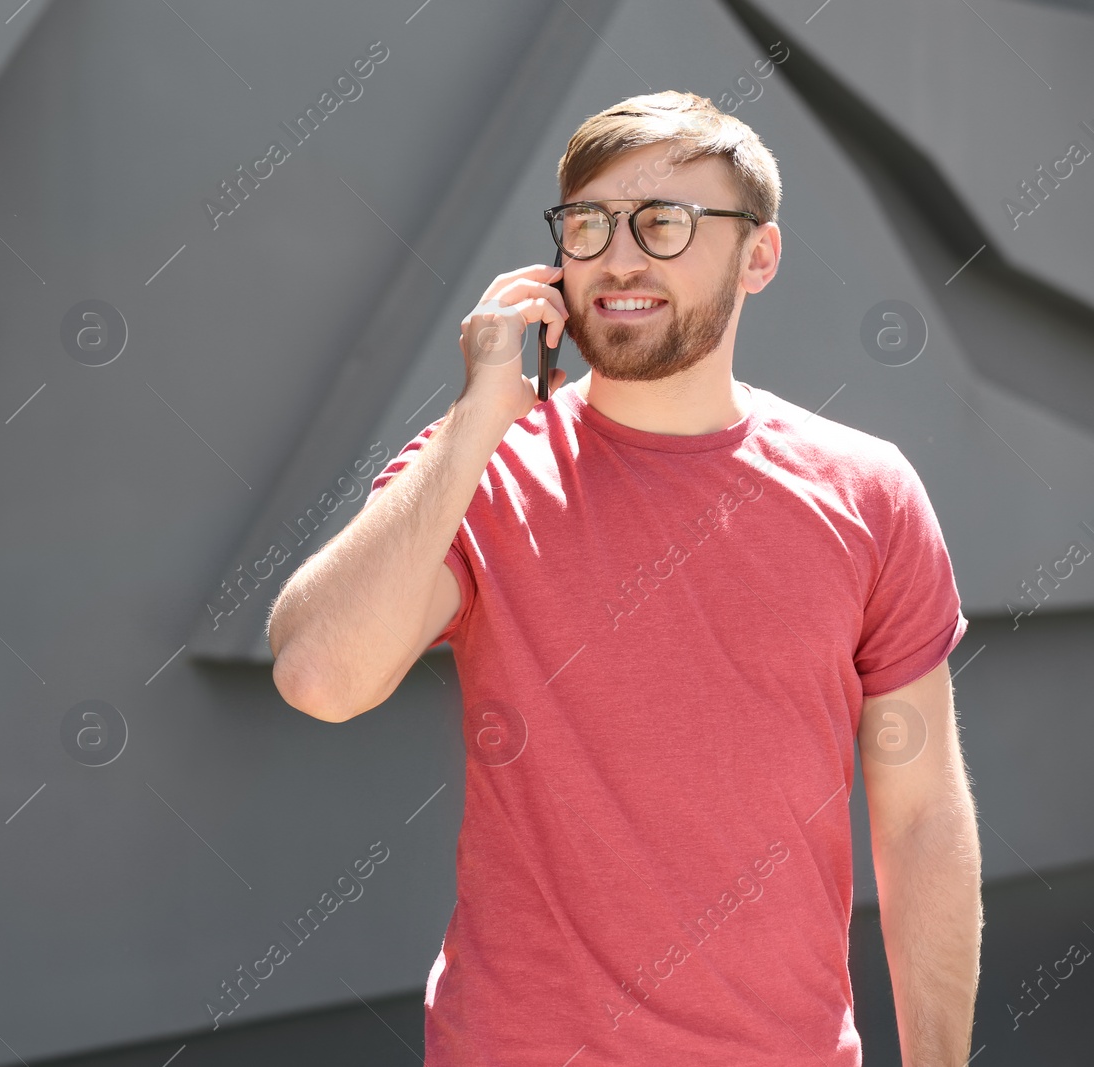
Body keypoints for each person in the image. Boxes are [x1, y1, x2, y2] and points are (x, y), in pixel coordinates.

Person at [265, 90, 981, 1066]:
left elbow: (923, 818)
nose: (617, 256)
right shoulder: (480, 468)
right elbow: (319, 674)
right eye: (588, 224)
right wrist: (478, 416)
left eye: (662, 222)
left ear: (756, 254)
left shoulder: (866, 490)